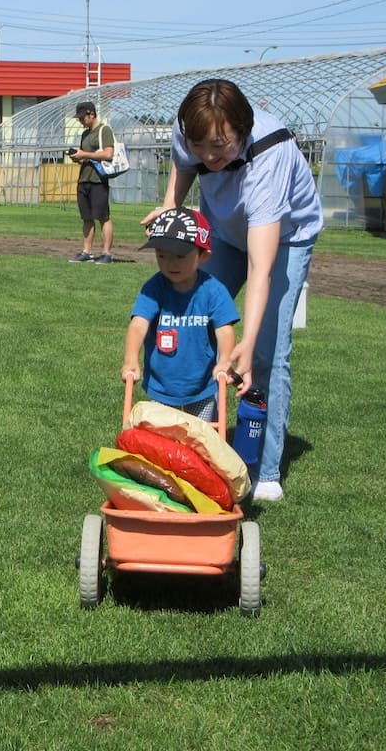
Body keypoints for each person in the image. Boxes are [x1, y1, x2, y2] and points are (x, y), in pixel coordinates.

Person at [148, 78, 322, 502]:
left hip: (285, 239)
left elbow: (260, 269)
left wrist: (245, 341)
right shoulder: (190, 126)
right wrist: (172, 205)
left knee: (265, 351)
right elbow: (185, 164)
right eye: (202, 145)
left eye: (221, 148)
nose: (210, 156)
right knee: (192, 323)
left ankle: (264, 470)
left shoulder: (271, 153)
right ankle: (197, 438)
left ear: (242, 132)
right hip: (223, 230)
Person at [121, 207, 239, 422]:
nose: (170, 263)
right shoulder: (153, 288)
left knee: (201, 442)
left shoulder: (214, 291)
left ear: (203, 255)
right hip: (161, 387)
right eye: (162, 255)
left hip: (201, 387)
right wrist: (130, 360)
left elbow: (225, 330)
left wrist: (225, 363)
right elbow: (138, 324)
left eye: (180, 256)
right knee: (161, 442)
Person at [68, 100, 115, 264]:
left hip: (98, 180)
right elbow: (86, 155)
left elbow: (109, 154)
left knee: (103, 217)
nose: (81, 121)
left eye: (82, 117)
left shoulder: (104, 130)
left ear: (92, 114)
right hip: (84, 179)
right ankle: (86, 252)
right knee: (86, 217)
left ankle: (106, 253)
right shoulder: (85, 134)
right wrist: (78, 157)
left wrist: (85, 154)